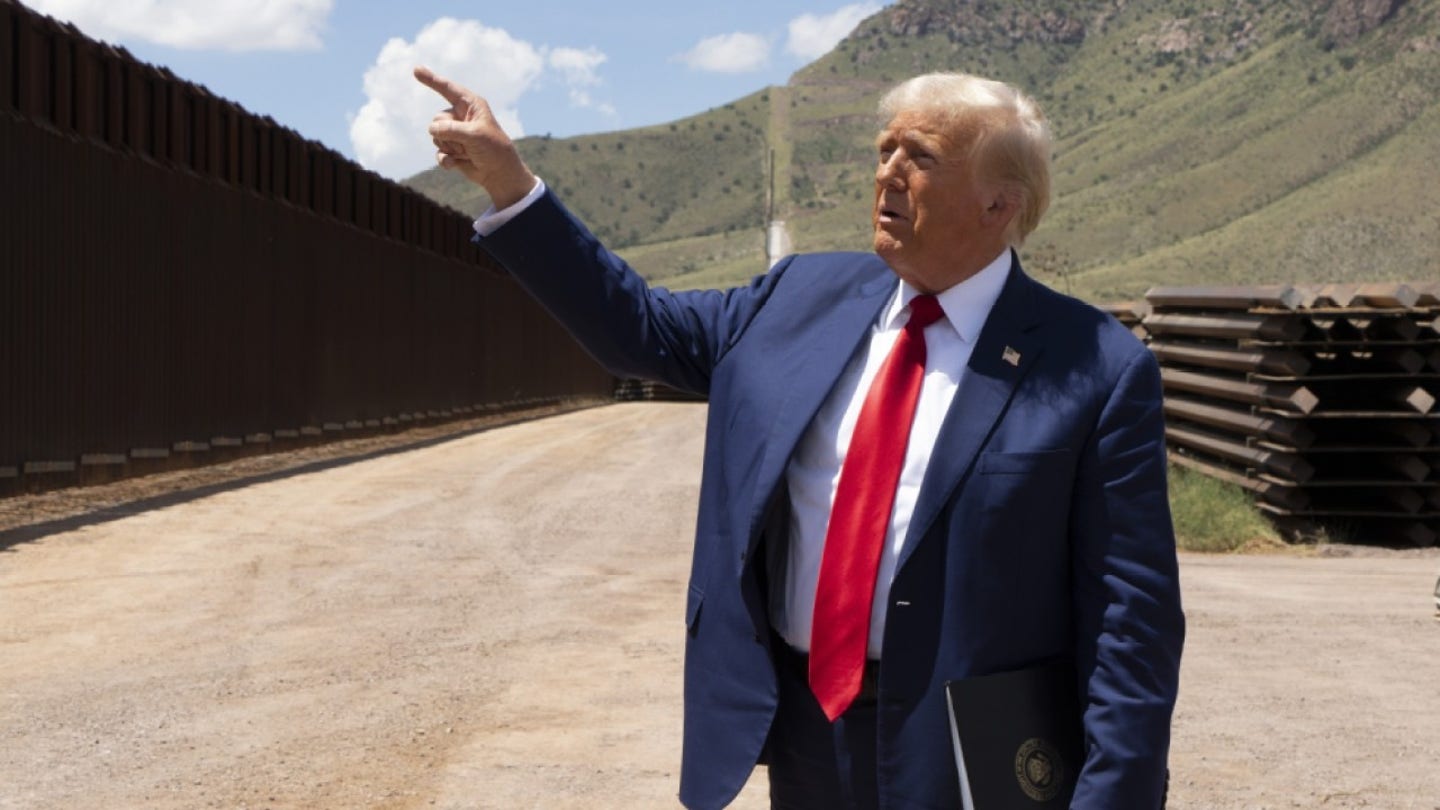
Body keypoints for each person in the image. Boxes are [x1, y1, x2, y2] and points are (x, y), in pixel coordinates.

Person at [415, 65, 1185, 810]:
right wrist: (511, 187)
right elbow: (637, 329)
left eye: (920, 158)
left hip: (973, 751)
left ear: (998, 205)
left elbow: (1132, 623)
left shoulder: (1094, 367)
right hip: (807, 731)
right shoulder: (797, 297)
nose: (887, 174)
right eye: (885, 150)